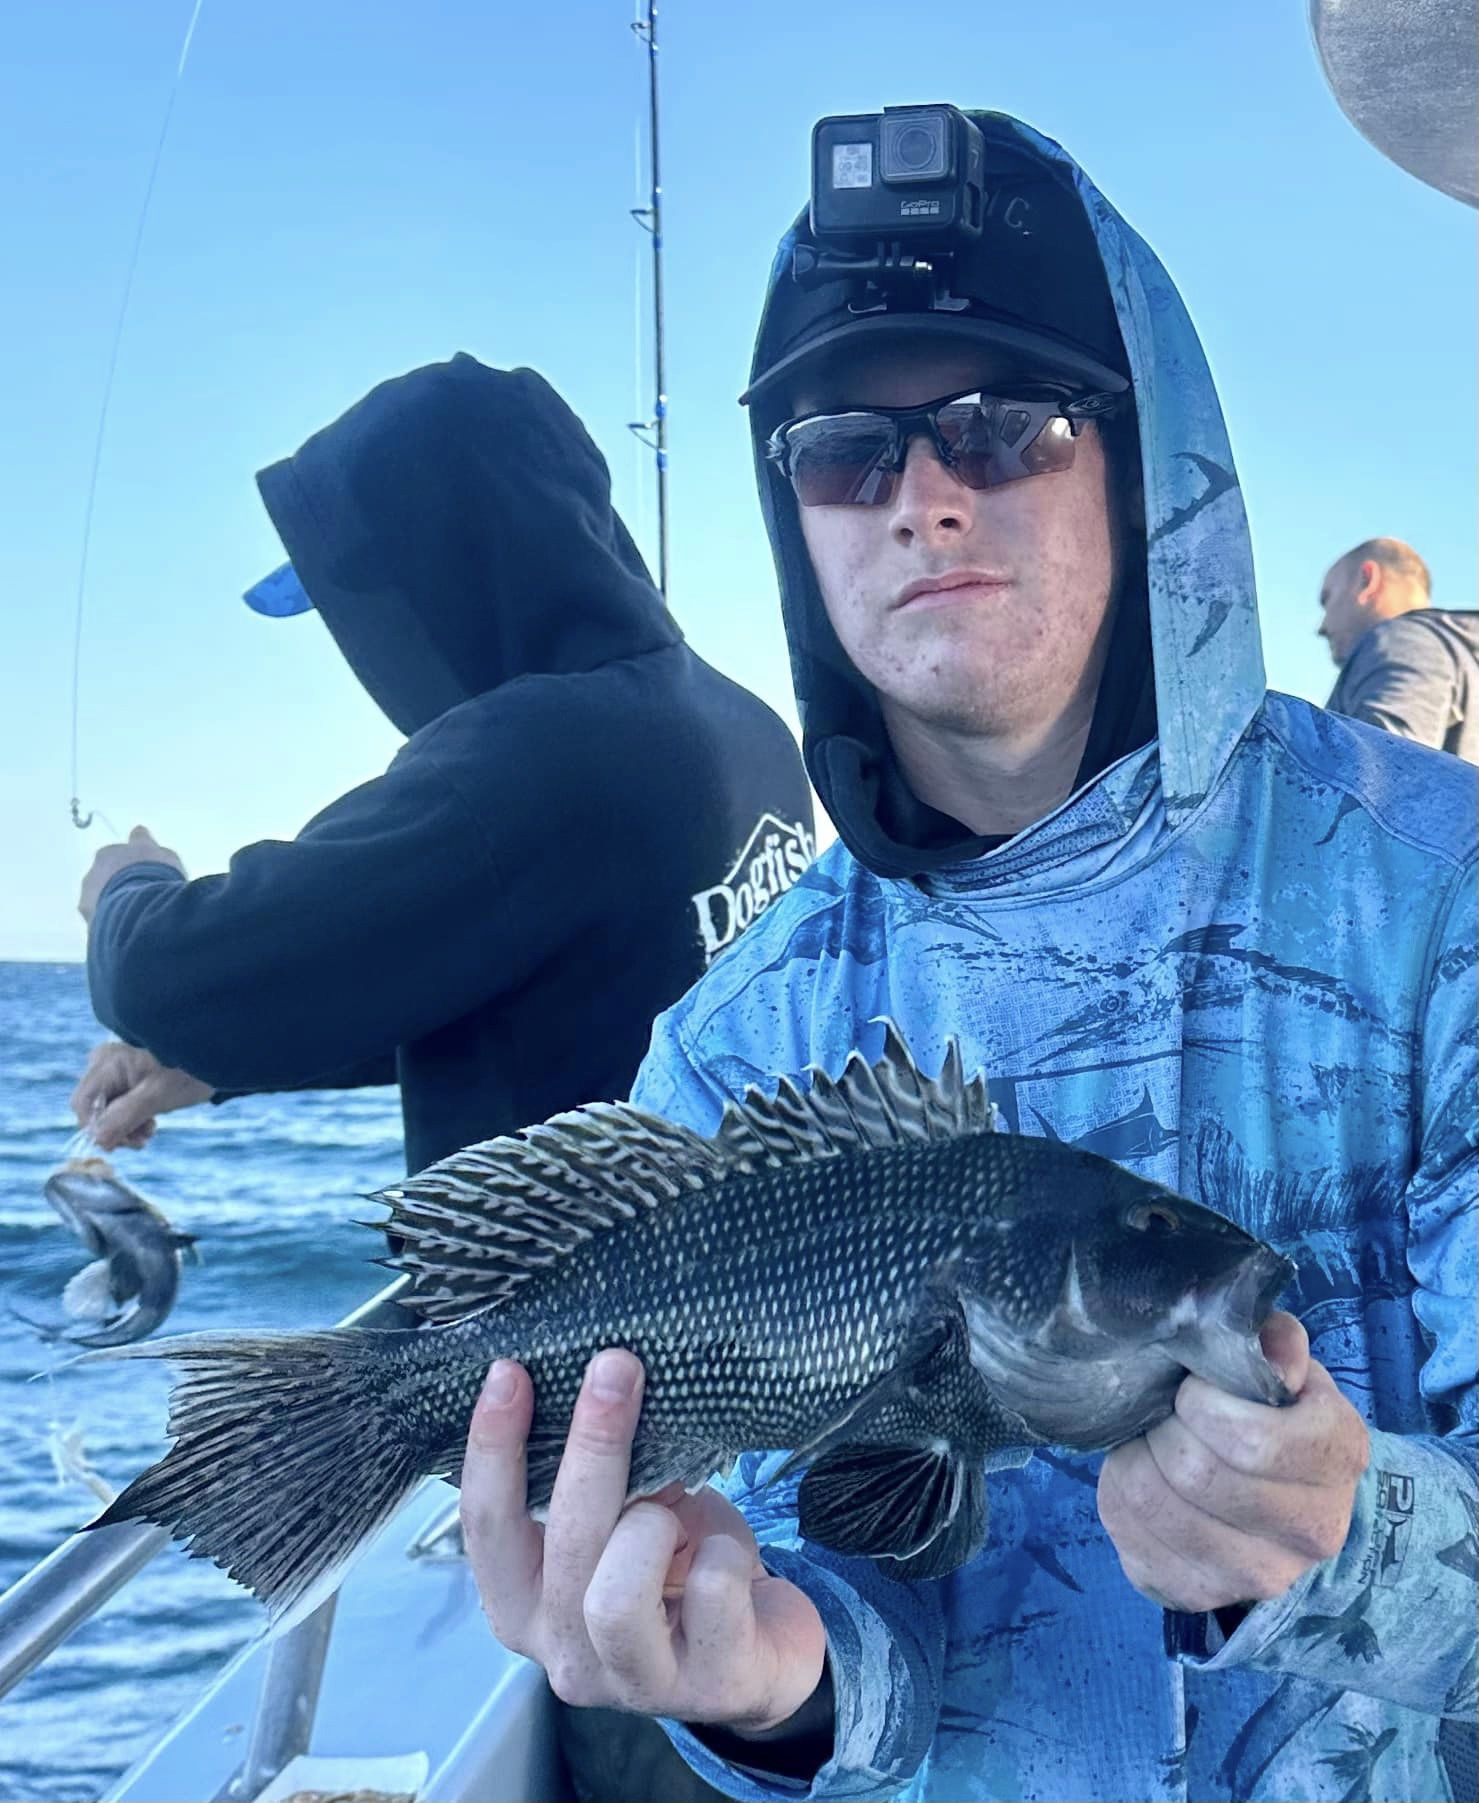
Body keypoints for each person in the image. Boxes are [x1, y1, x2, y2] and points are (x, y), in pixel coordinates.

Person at [454, 110, 1477, 1802]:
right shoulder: (733, 1040)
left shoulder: (1444, 894)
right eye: (842, 450)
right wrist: (767, 1684)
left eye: (1005, 427)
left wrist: (1350, 1537)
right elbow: (826, 1600)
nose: (922, 499)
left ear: (1140, 462)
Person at [74, 355, 816, 1180]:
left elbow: (163, 979)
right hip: (735, 1245)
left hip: (558, 1263)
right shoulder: (750, 729)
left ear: (436, 574)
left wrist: (126, 886)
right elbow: (545, 991)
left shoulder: (536, 757)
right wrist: (213, 1070)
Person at [1319, 536, 1479, 761]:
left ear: (1367, 580)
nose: (1322, 627)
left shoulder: (1404, 640)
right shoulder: (1461, 657)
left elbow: (1383, 769)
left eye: (1327, 599)